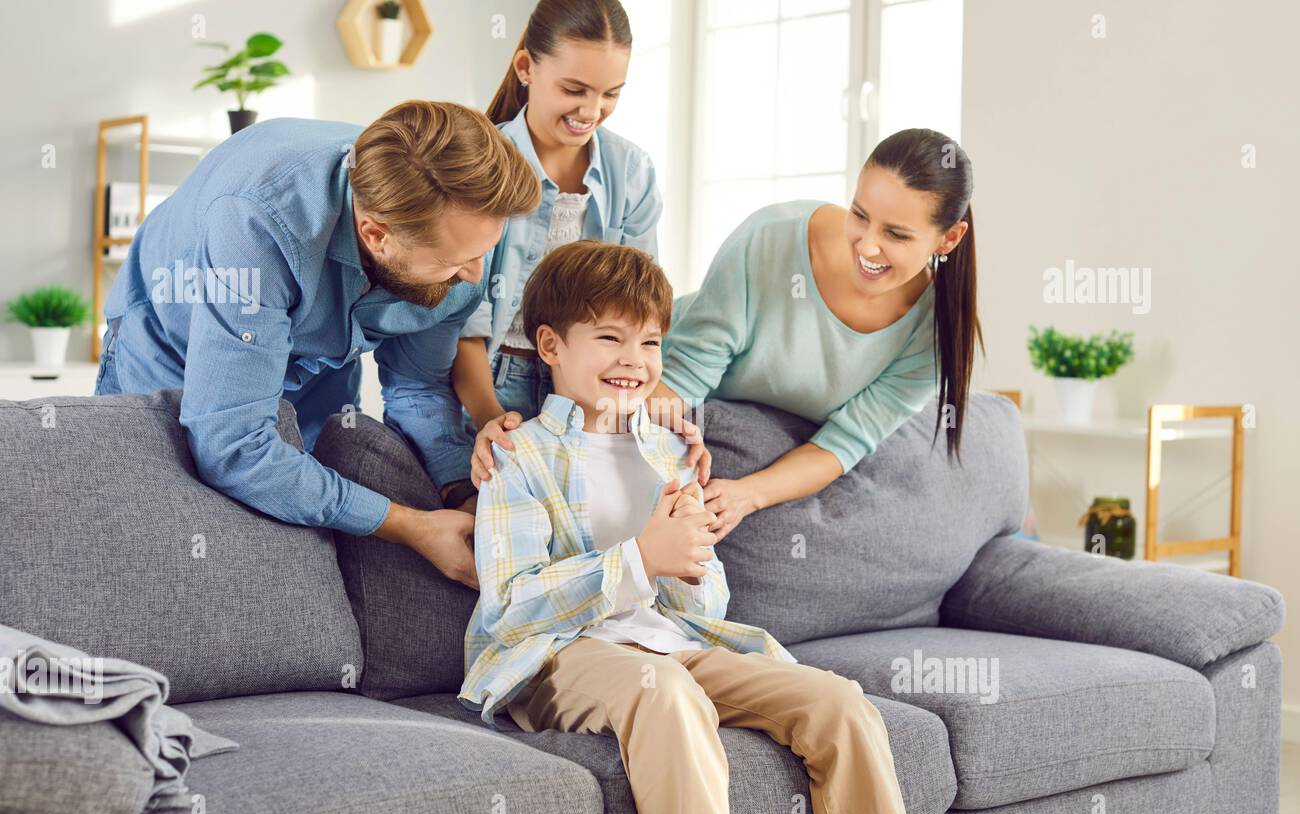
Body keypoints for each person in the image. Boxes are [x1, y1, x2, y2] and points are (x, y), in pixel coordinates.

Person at [457, 240, 913, 814]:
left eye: (649, 342)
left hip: (670, 641)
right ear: (551, 346)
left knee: (840, 702)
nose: (634, 360)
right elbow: (511, 608)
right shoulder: (518, 455)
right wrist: (640, 559)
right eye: (609, 338)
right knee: (665, 688)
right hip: (556, 656)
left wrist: (688, 567)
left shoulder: (669, 450)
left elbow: (702, 607)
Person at [94, 100, 541, 588]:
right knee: (162, 560)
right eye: (455, 262)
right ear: (376, 235)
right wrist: (408, 526)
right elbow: (235, 448)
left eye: (483, 252)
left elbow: (418, 389)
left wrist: (463, 493)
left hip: (318, 369)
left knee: (303, 547)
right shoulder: (257, 224)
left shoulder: (460, 251)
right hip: (169, 350)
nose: (476, 277)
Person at [468, 129, 981, 544]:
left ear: (949, 238)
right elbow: (685, 375)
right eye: (860, 215)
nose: (866, 245)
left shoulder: (936, 334)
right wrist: (539, 444)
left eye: (896, 234)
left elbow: (847, 442)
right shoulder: (771, 238)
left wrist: (746, 495)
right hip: (639, 386)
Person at [438, 0, 664, 513]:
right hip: (491, 382)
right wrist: (494, 424)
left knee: (603, 523)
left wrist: (664, 430)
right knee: (500, 522)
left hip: (589, 387)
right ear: (526, 69)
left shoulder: (632, 172)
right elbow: (462, 327)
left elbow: (639, 316)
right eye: (574, 89)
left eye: (610, 94)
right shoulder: (481, 164)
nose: (592, 111)